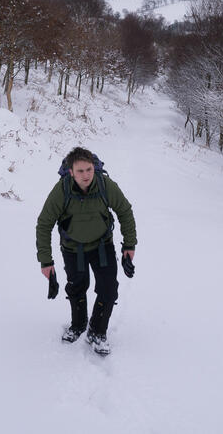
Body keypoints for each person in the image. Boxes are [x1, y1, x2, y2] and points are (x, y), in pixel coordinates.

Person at [36, 146, 137, 355]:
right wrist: (46, 262)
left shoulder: (104, 185)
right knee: (76, 287)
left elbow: (125, 211)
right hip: (73, 249)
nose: (86, 175)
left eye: (89, 170)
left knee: (109, 288)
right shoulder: (62, 190)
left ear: (94, 168)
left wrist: (129, 246)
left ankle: (97, 332)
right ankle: (78, 324)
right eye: (80, 171)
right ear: (71, 171)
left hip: (102, 245)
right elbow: (44, 223)